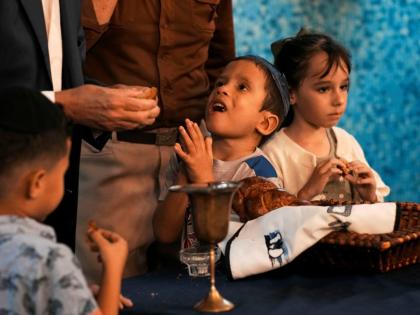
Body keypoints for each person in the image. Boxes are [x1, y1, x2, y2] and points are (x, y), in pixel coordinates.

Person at [78, 0, 235, 282]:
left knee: (193, 289)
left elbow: (221, 65)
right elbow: (59, 62)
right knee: (105, 288)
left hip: (192, 155)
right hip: (113, 155)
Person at [0, 1, 160, 250]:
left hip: (52, 199)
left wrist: (107, 100)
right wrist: (66, 103)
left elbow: (59, 78)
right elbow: (62, 97)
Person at [0, 87, 129, 315]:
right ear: (37, 183)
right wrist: (112, 270)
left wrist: (73, 294)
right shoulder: (49, 260)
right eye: (62, 173)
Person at [153, 55, 290, 246]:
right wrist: (186, 172)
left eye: (242, 87)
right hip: (176, 274)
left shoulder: (259, 174)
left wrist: (202, 179)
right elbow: (164, 234)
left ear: (265, 123)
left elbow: (230, 247)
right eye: (220, 82)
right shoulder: (185, 155)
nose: (222, 89)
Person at [262, 30, 390, 203]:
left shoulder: (346, 141)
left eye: (343, 87)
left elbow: (374, 211)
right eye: (323, 89)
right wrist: (306, 193)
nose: (339, 100)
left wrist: (370, 196)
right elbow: (270, 223)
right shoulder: (273, 154)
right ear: (291, 93)